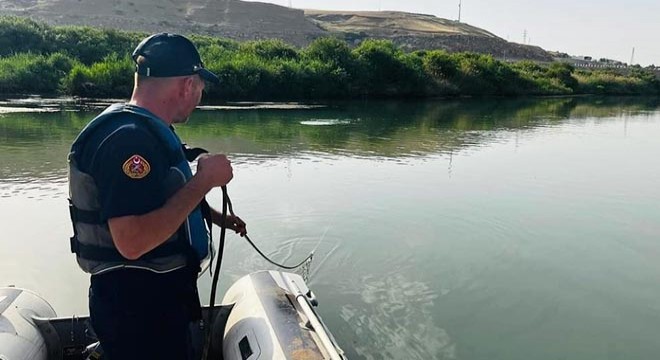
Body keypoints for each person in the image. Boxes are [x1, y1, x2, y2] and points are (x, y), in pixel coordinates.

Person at [67, 33, 246, 360]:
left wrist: (216, 217)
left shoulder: (141, 130)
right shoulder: (129, 142)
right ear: (186, 85)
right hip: (139, 310)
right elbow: (131, 242)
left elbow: (153, 201)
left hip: (153, 301)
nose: (200, 95)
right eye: (200, 87)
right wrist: (204, 181)